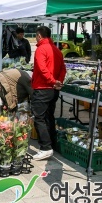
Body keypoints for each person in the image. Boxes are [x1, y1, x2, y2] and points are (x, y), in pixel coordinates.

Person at [31, 26, 66, 161]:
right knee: (49, 116)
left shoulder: (41, 49)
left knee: (39, 118)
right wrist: (58, 82)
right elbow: (63, 68)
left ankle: (45, 147)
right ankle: (51, 143)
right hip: (53, 89)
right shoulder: (57, 50)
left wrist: (52, 81)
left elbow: (42, 68)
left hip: (43, 88)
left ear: (39, 36)